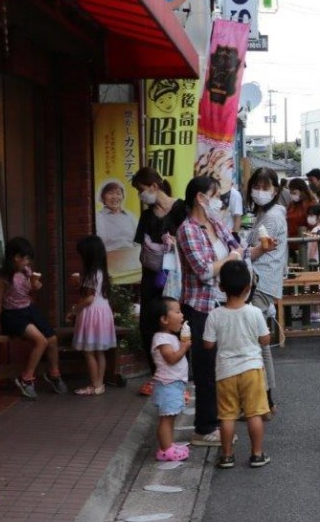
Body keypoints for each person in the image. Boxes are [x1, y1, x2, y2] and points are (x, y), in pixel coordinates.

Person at [176, 175, 245, 447]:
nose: (219, 201)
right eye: (214, 195)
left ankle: (217, 420)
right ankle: (204, 428)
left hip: (222, 303)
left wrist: (257, 251)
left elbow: (238, 249)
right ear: (200, 198)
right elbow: (204, 271)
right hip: (200, 307)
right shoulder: (187, 229)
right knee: (205, 369)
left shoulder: (215, 222)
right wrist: (229, 259)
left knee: (220, 365)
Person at [204, 260, 271, 469]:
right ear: (248, 288)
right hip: (252, 369)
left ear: (221, 287)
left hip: (225, 371)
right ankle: (257, 454)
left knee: (226, 415)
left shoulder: (215, 315)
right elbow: (265, 340)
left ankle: (226, 456)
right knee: (254, 413)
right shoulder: (254, 313)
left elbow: (208, 344)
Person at [132, 167, 188, 397]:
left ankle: (181, 379)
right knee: (148, 323)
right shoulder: (146, 216)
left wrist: (175, 243)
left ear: (154, 186)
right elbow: (141, 250)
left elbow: (192, 239)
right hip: (152, 278)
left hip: (176, 279)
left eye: (141, 190)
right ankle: (157, 375)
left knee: (177, 322)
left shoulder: (181, 208)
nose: (140, 195)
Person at [0, 237, 66, 399]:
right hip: (12, 315)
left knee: (52, 339)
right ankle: (26, 379)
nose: (28, 262)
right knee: (41, 341)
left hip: (29, 310)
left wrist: (35, 281)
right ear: (15, 257)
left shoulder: (26, 272)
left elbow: (37, 288)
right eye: (25, 258)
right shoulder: (2, 277)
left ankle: (54, 374)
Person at [245, 167, 287, 418]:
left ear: (275, 190)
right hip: (262, 283)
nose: (260, 192)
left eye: (265, 187)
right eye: (257, 187)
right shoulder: (265, 213)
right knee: (259, 342)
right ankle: (265, 401)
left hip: (260, 284)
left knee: (259, 344)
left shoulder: (272, 217)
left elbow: (257, 250)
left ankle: (267, 401)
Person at [66, 235, 117, 396]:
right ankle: (99, 384)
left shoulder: (91, 274)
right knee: (99, 351)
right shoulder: (101, 272)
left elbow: (89, 298)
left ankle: (94, 385)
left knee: (89, 351)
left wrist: (74, 309)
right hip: (103, 311)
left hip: (92, 313)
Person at [150, 298, 191, 462]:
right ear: (164, 319)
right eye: (177, 312)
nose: (182, 315)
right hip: (168, 385)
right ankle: (165, 449)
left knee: (171, 417)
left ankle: (169, 445)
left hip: (174, 384)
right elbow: (171, 359)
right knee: (166, 419)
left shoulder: (170, 337)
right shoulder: (162, 339)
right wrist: (184, 347)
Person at [96, 180, 137, 251]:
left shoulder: (130, 216)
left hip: (131, 256)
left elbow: (138, 241)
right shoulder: (98, 217)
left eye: (118, 193)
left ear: (123, 197)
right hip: (108, 257)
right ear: (103, 197)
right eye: (110, 193)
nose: (114, 197)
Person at [285, 178, 317, 264]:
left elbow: (313, 226)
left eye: (294, 192)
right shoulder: (292, 205)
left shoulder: (311, 204)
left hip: (304, 244)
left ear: (302, 191)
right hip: (290, 243)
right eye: (290, 192)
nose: (292, 195)